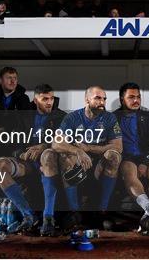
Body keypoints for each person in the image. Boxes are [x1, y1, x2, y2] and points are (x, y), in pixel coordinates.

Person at [0, 84, 66, 236]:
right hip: (28, 162)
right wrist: (20, 154)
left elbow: (64, 141)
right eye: (45, 99)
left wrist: (43, 146)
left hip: (50, 161)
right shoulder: (22, 116)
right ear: (35, 100)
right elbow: (12, 142)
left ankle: (48, 218)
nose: (49, 102)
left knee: (48, 155)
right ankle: (28, 215)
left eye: (51, 98)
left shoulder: (61, 116)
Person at [52, 86, 122, 230]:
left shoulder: (110, 117)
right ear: (87, 100)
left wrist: (90, 148)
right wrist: (77, 151)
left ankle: (102, 210)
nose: (102, 102)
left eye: (104, 98)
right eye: (97, 98)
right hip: (78, 163)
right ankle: (74, 212)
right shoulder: (72, 117)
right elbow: (56, 143)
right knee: (66, 156)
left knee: (113, 156)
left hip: (99, 161)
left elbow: (117, 147)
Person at [114, 82, 149, 235]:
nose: (136, 100)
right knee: (128, 170)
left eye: (138, 97)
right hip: (127, 157)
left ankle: (148, 216)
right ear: (122, 99)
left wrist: (145, 161)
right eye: (131, 97)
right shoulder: (113, 117)